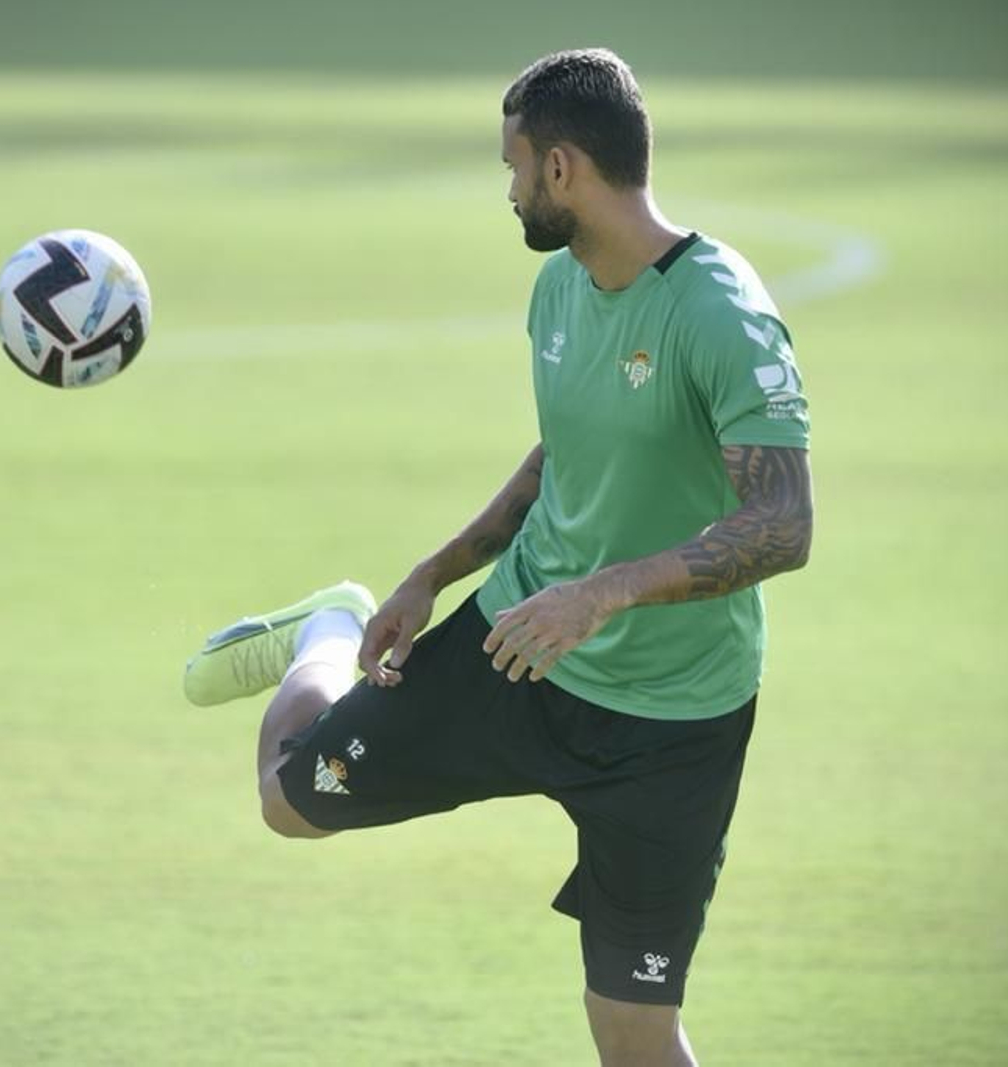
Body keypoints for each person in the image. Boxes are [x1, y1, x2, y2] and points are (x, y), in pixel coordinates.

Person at [184, 48, 814, 1067]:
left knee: (635, 1030)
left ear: (561, 169)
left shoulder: (718, 313)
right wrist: (431, 575)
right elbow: (564, 455)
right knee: (288, 798)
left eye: (514, 165)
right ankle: (325, 631)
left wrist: (601, 595)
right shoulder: (561, 290)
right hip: (513, 652)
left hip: (672, 723)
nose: (509, 189)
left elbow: (783, 522)